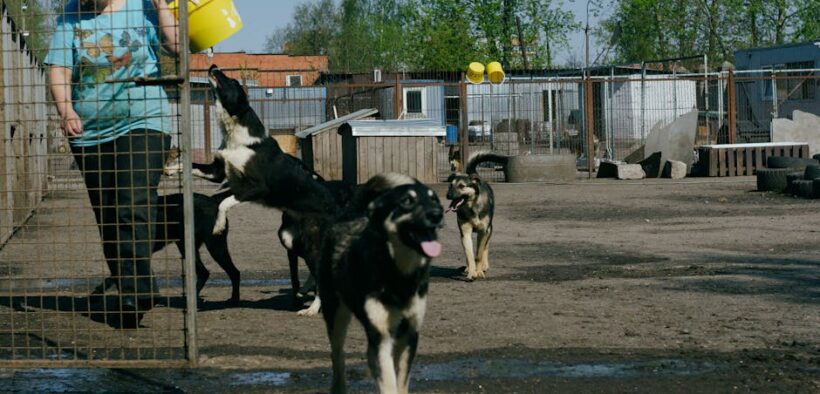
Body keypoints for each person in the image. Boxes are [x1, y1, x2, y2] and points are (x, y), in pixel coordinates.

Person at [45, 0, 179, 327]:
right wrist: (66, 111)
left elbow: (178, 49)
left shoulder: (144, 6)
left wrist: (163, 7)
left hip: (144, 119)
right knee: (107, 216)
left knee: (131, 202)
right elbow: (60, 69)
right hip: (89, 132)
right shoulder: (70, 17)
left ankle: (136, 294)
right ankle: (135, 290)